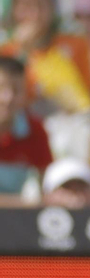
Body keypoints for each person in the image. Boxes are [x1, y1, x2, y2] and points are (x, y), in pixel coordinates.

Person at [0, 54, 49, 202]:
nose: (7, 98)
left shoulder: (36, 129)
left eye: (16, 90)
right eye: (1, 88)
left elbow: (44, 188)